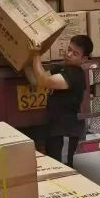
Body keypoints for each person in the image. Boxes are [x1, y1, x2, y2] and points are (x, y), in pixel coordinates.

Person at [30, 35, 94, 167]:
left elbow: (44, 81)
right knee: (53, 166)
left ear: (84, 59)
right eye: (69, 49)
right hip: (55, 130)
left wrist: (36, 55)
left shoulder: (76, 76)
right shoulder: (62, 68)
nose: (69, 54)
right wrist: (25, 58)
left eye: (75, 54)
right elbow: (35, 80)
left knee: (63, 169)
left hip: (66, 133)